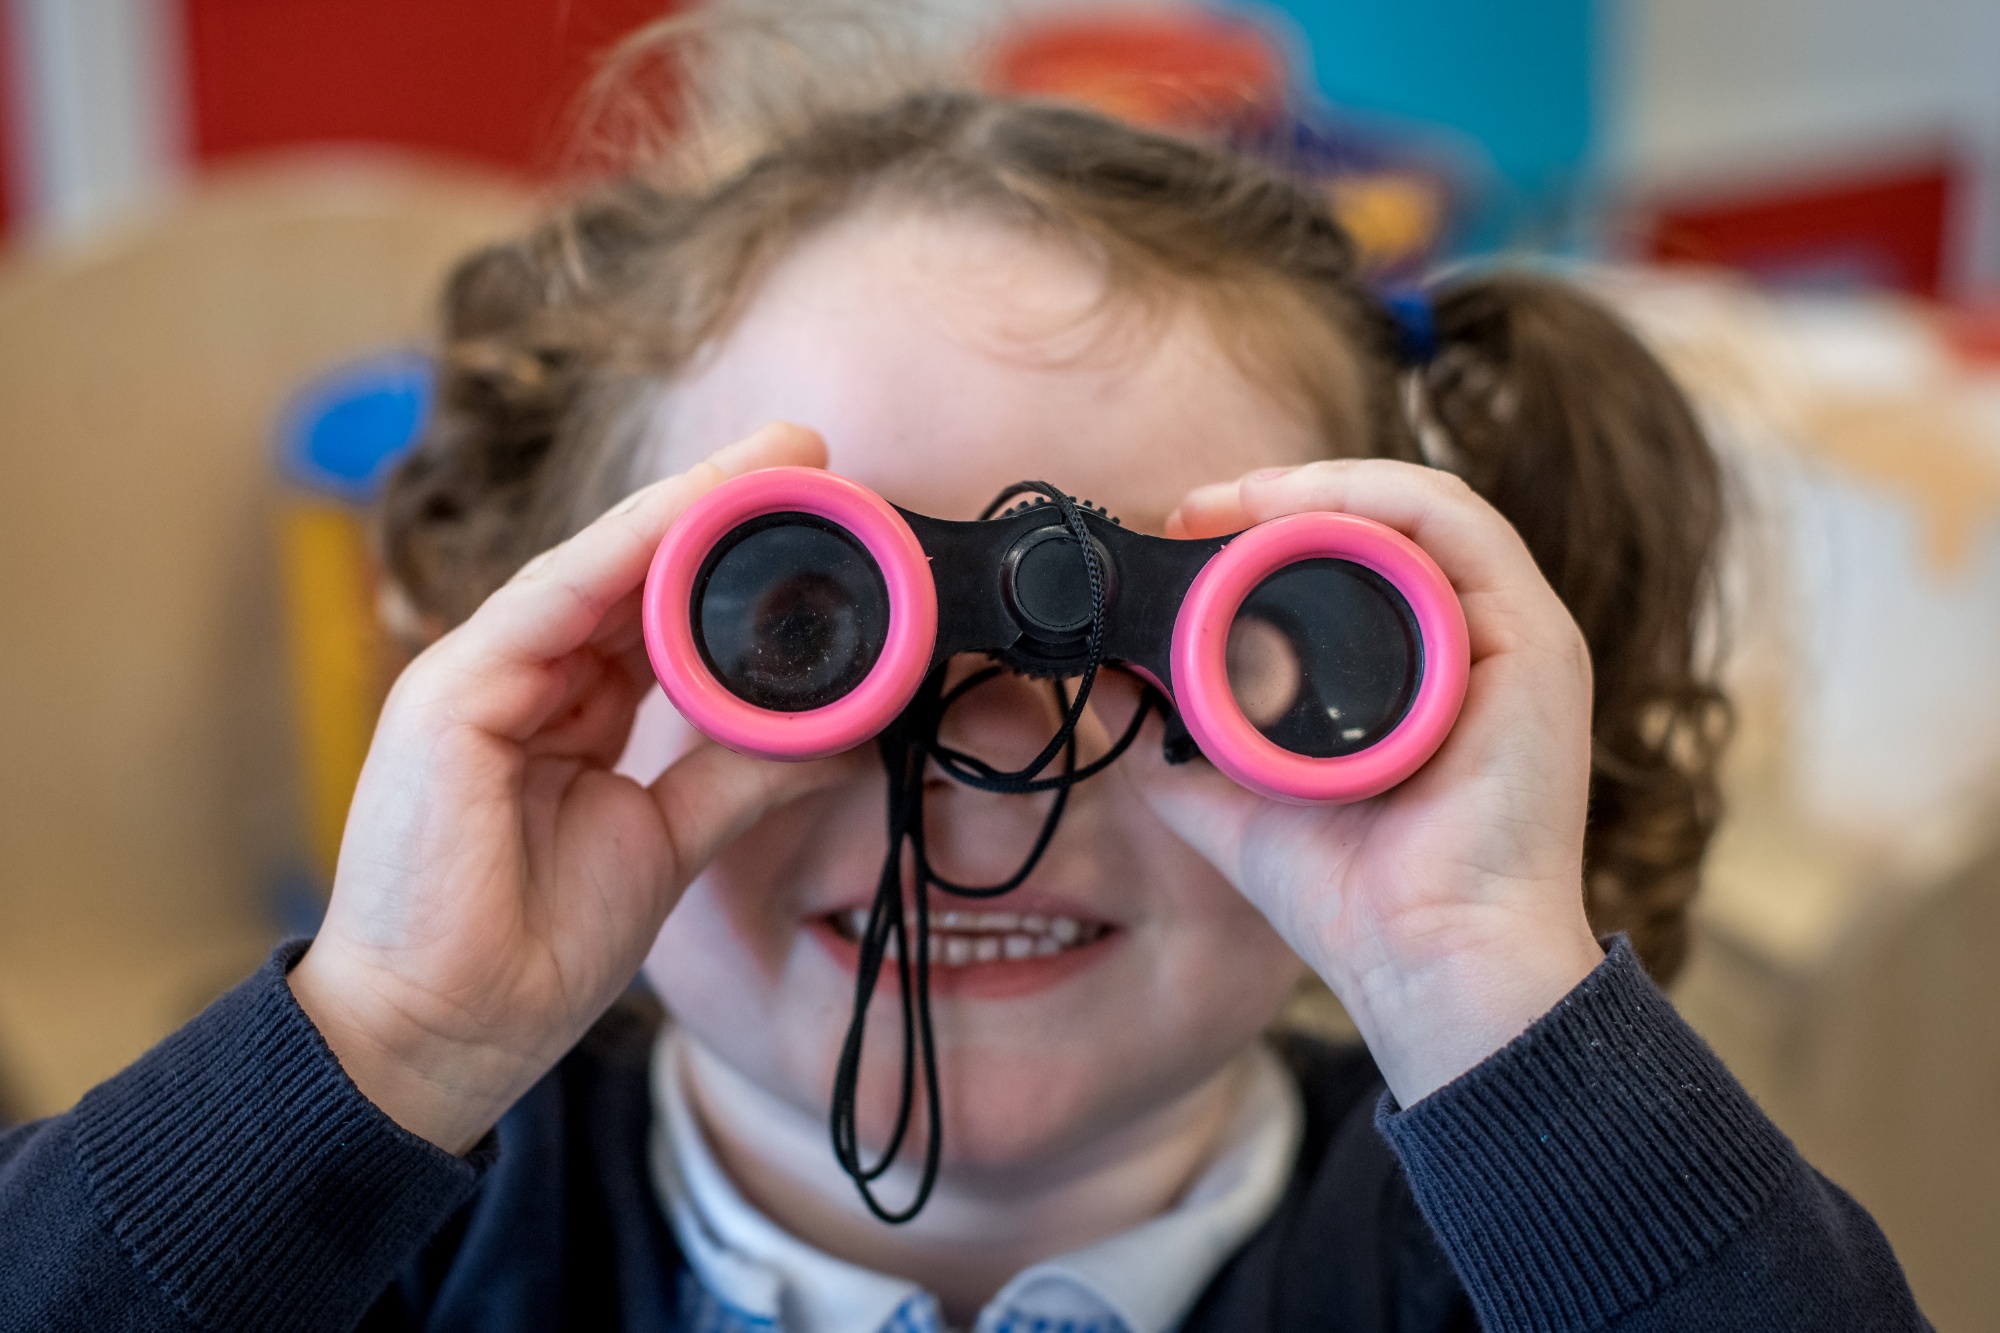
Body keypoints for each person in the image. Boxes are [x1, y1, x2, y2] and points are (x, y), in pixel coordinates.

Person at [0, 52, 1928, 1333]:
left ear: (1375, 682)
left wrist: (1490, 1002)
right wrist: (385, 1045)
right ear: (568, 661)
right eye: (805, 625)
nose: (998, 755)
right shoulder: (354, 1231)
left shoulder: (1520, 1259)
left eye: (1203, 642)